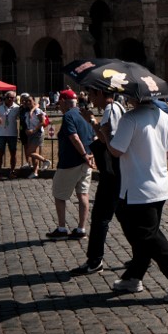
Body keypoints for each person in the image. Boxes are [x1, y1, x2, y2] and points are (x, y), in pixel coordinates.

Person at [108, 98, 168, 302]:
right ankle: (133, 277)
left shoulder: (130, 119)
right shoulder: (164, 117)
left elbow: (116, 150)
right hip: (160, 185)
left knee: (147, 234)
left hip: (137, 188)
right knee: (143, 234)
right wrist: (153, 156)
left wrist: (103, 133)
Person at [70, 87, 124, 275]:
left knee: (100, 217)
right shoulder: (117, 107)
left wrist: (92, 121)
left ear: (101, 94)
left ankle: (95, 260)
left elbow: (108, 140)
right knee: (126, 217)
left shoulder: (110, 109)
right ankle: (144, 255)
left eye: (92, 94)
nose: (91, 98)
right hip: (119, 171)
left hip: (112, 173)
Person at [47, 90, 95, 240]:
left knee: (59, 194)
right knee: (83, 194)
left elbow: (74, 137)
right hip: (86, 163)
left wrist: (83, 154)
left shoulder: (68, 116)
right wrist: (90, 155)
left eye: (59, 102)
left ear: (62, 101)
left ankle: (61, 228)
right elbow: (93, 136)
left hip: (70, 162)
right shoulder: (84, 113)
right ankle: (81, 229)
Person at [0, 91, 20, 179]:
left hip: (13, 133)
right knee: (0, 153)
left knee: (13, 153)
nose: (10, 99)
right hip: (1, 134)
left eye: (12, 98)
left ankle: (12, 171)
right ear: (5, 98)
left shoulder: (17, 108)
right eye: (9, 98)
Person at [19, 95, 49, 178]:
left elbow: (43, 122)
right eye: (26, 101)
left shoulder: (37, 110)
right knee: (33, 153)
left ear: (33, 101)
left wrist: (34, 130)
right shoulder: (25, 110)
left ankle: (45, 161)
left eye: (29, 101)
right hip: (29, 134)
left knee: (29, 152)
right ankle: (35, 172)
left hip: (37, 133)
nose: (27, 102)